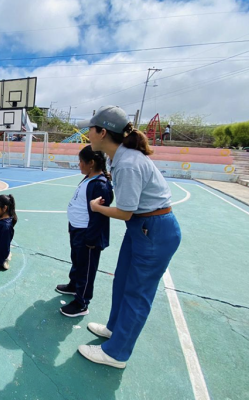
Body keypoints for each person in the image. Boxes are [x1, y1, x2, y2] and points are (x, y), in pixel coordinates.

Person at [77, 105, 181, 369]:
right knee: (122, 281)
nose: (87, 133)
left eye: (90, 129)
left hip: (154, 230)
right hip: (141, 227)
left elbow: (124, 212)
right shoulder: (120, 157)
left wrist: (97, 207)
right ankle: (114, 329)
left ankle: (116, 353)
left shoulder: (129, 163)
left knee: (137, 293)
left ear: (102, 132)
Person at [56, 145, 114, 317]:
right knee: (77, 261)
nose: (79, 164)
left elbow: (99, 216)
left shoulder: (101, 185)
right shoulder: (89, 178)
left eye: (81, 161)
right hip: (77, 230)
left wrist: (91, 239)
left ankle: (82, 303)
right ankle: (74, 286)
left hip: (87, 235)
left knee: (86, 269)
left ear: (92, 163)